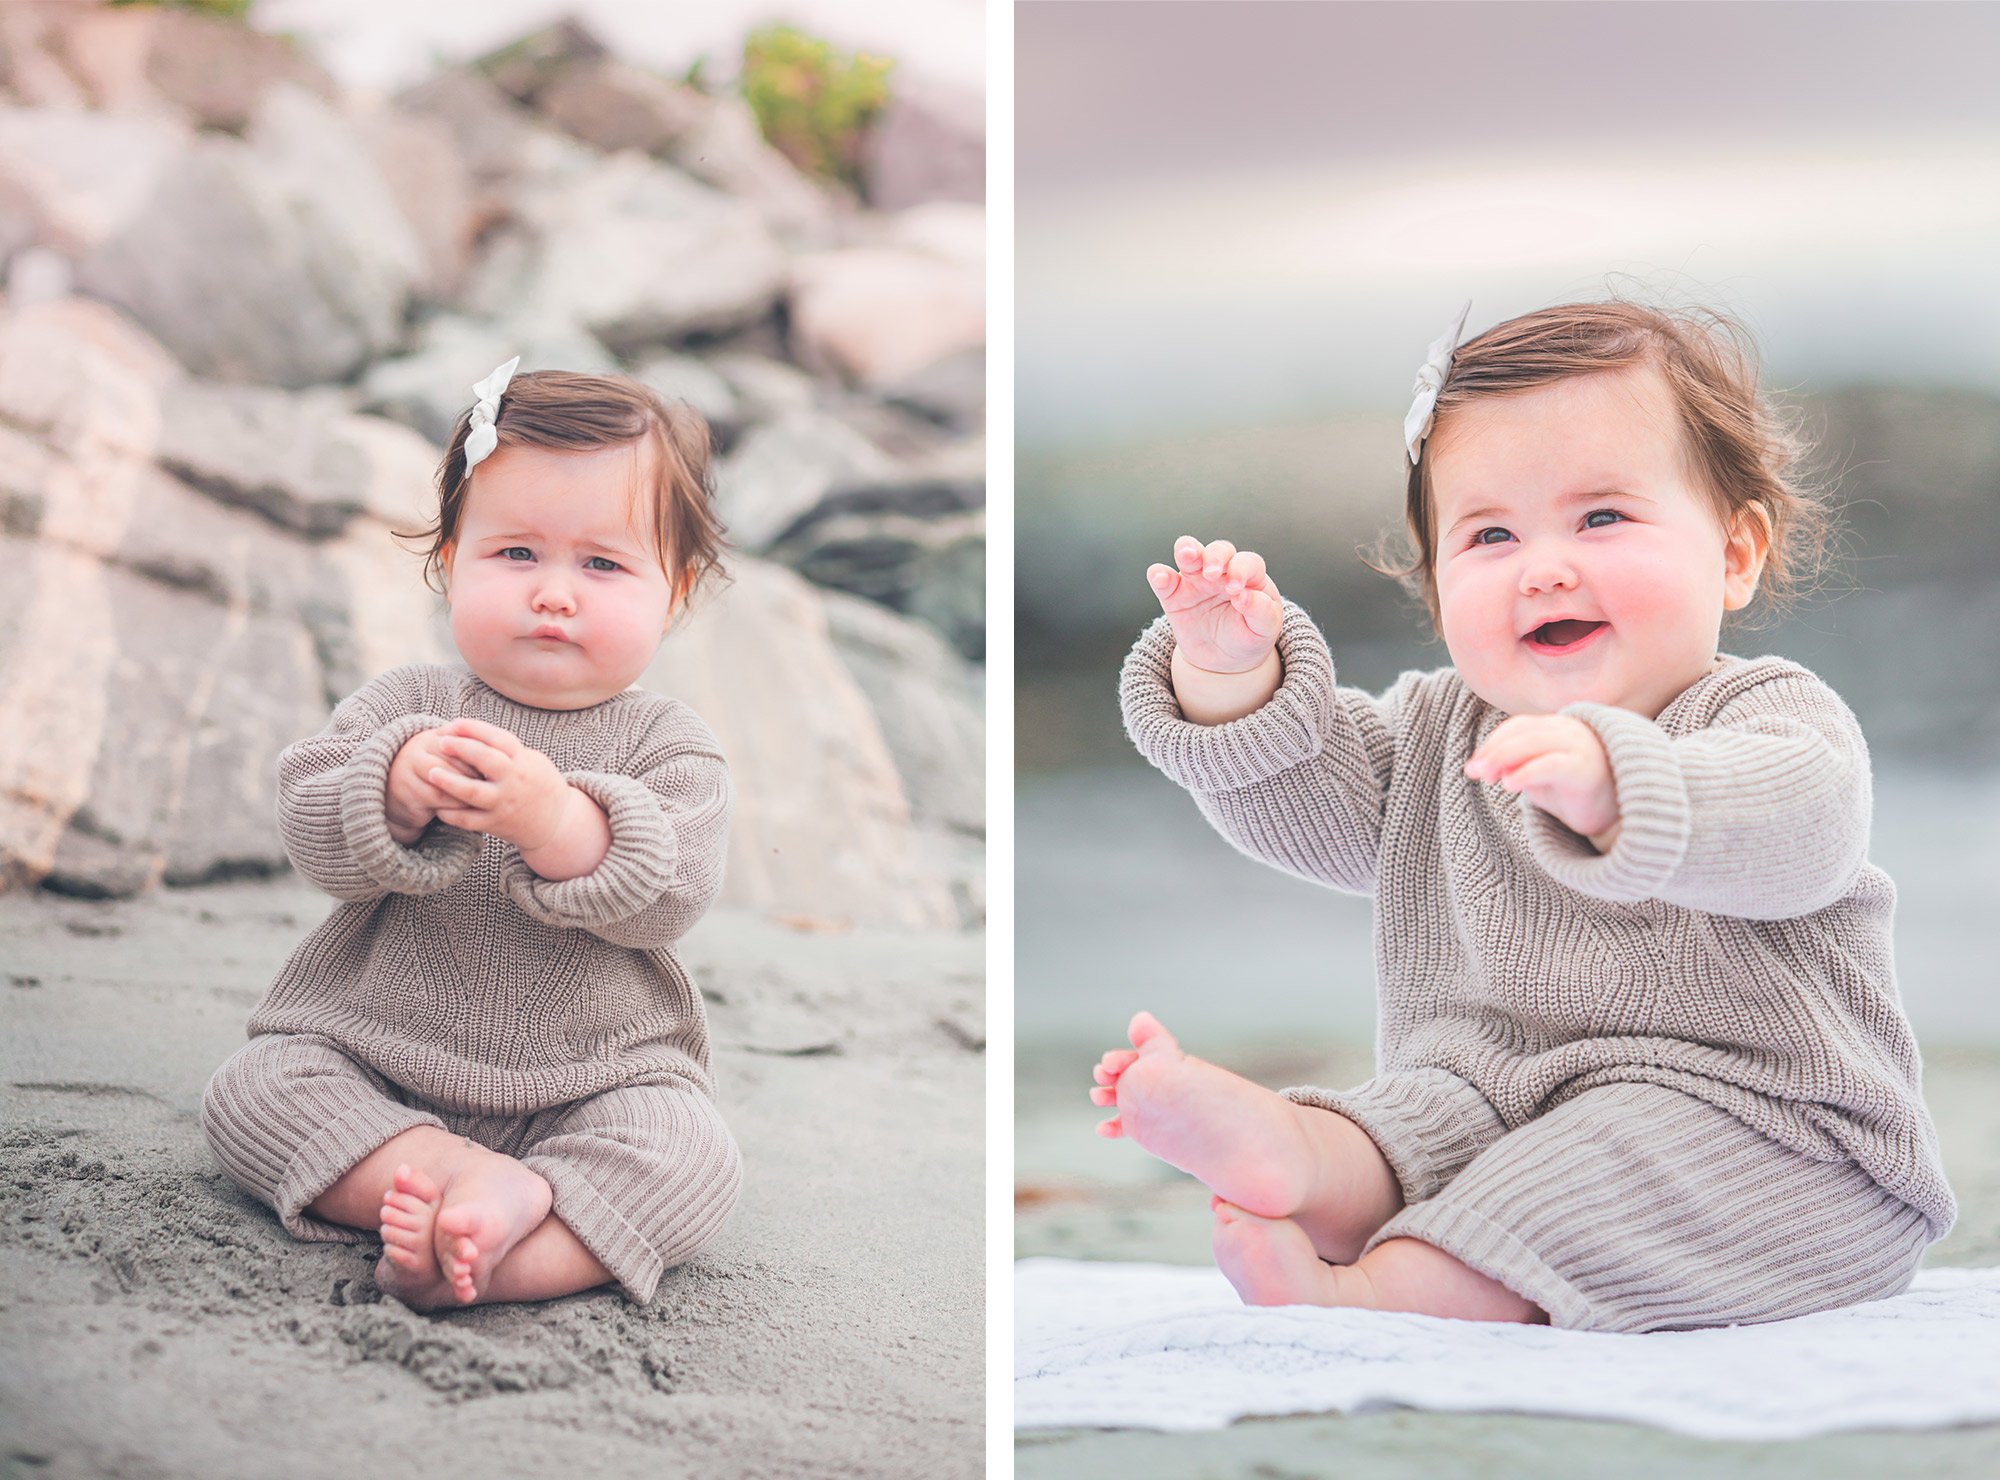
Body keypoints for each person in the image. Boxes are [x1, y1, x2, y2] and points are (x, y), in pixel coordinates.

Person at [1096, 300, 1956, 1333]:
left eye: (1600, 517)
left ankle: (1361, 1293)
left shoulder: (1764, 714)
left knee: (1598, 1163)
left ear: (1731, 554)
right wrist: (1230, 677)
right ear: (1434, 585)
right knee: (1413, 1117)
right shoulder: (1437, 728)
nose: (1543, 564)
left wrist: (1617, 785)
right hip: (1493, 1096)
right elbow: (1305, 804)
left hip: (1775, 1141)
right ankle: (1296, 1157)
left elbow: (1799, 827)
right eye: (1489, 534)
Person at [201, 359, 741, 1311]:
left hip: (596, 1080)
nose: (556, 594)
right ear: (452, 560)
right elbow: (310, 828)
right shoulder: (412, 706)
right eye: (517, 554)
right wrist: (393, 793)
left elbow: (676, 892)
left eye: (603, 563)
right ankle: (450, 1178)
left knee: (691, 1155)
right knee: (255, 1091)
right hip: (378, 1057)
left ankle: (509, 1250)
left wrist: (561, 822)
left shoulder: (670, 744)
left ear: (678, 589)